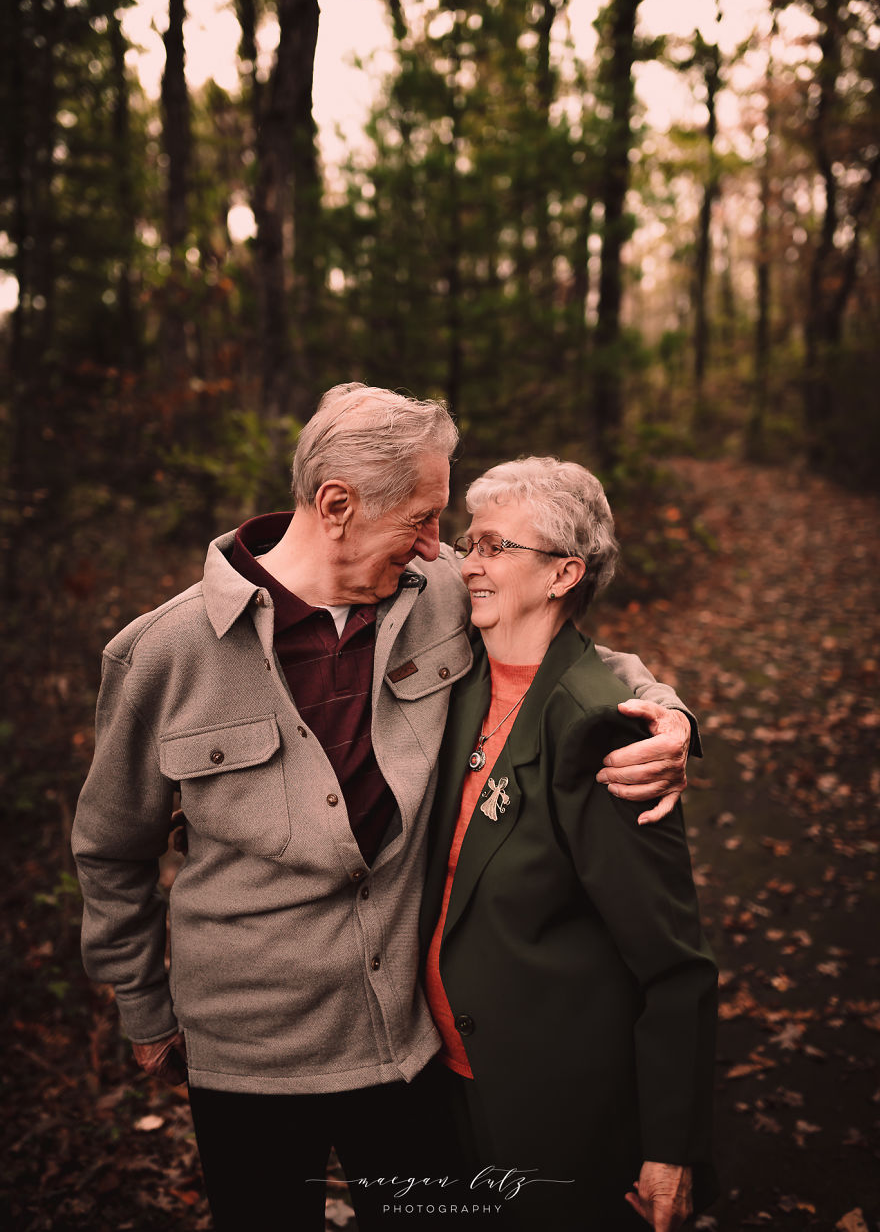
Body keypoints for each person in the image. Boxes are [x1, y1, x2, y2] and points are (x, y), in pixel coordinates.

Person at [71, 385, 699, 1232]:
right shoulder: (164, 654)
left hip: (404, 1044)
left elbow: (565, 646)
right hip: (247, 1056)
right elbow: (112, 847)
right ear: (337, 506)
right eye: (422, 519)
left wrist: (665, 713)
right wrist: (142, 999)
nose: (441, 547)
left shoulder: (434, 593)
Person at [419, 456, 717, 1232]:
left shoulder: (603, 731)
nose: (469, 562)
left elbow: (674, 962)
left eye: (493, 547)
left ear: (564, 575)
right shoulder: (453, 683)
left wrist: (670, 1147)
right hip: (440, 1079)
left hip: (554, 1101)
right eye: (468, 541)